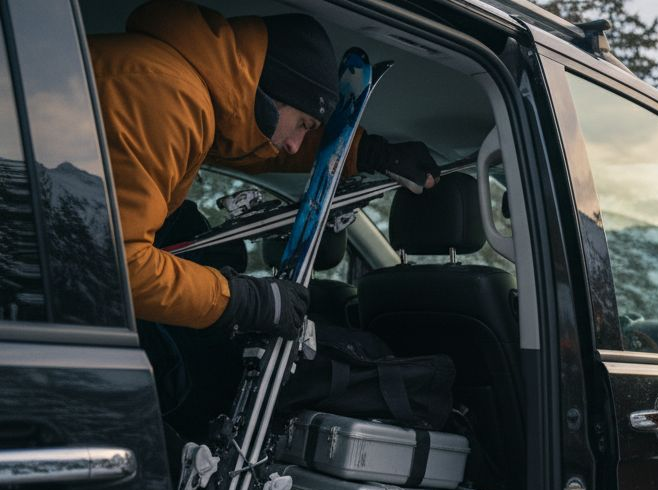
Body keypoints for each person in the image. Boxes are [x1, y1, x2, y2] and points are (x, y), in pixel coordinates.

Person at [89, 0, 439, 340]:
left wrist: (366, 152)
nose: (295, 145)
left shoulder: (178, 87)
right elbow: (116, 265)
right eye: (303, 124)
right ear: (274, 95)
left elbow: (253, 149)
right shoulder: (165, 97)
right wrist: (245, 300)